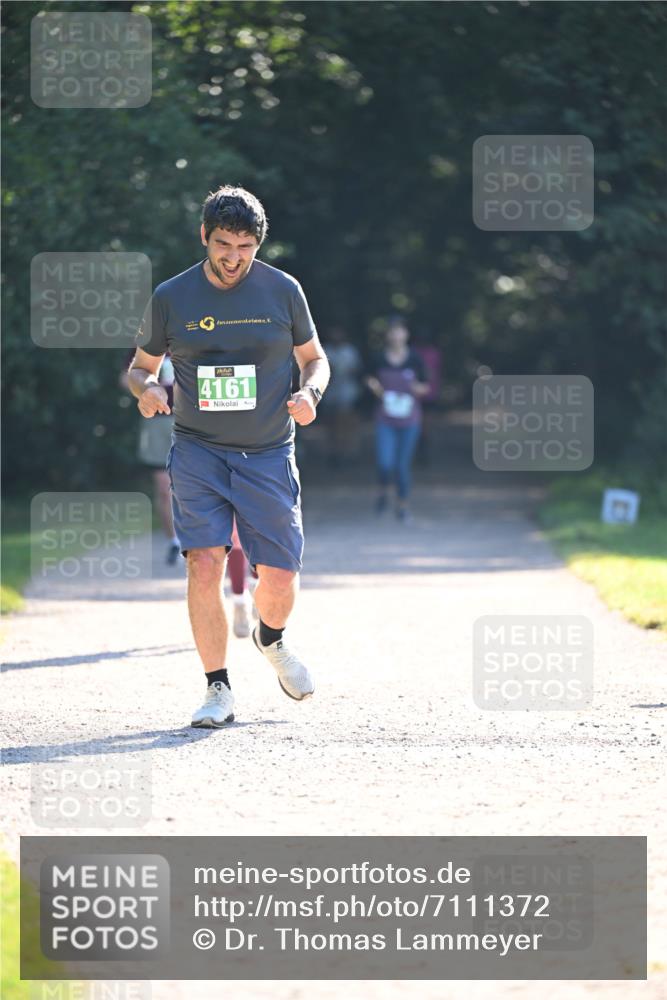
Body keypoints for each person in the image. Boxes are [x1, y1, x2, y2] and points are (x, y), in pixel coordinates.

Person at [127, 185, 330, 727]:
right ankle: (217, 688)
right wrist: (146, 389)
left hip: (267, 452)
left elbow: (314, 360)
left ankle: (271, 638)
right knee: (204, 564)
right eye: (223, 244)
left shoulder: (283, 290)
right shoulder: (173, 296)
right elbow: (140, 365)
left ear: (258, 244)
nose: (233, 257)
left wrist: (309, 396)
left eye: (245, 246)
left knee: (280, 579)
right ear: (204, 237)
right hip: (198, 452)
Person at [365, 318, 430, 522]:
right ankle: (383, 490)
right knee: (385, 463)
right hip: (385, 418)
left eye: (399, 331)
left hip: (409, 419)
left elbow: (426, 386)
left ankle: (402, 506)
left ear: (406, 334)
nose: (396, 335)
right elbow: (368, 377)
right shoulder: (378, 358)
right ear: (387, 335)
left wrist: (416, 389)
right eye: (392, 332)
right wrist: (377, 389)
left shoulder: (416, 359)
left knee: (402, 466)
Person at [120, 351, 179, 564]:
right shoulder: (147, 340)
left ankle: (199, 540)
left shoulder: (196, 331)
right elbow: (126, 377)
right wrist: (149, 390)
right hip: (157, 421)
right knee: (164, 487)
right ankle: (174, 542)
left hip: (192, 419)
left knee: (193, 484)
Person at [320, 325, 362, 466]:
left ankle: (347, 454)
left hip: (347, 394)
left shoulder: (350, 351)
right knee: (331, 426)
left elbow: (357, 370)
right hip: (330, 394)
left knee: (346, 425)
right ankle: (333, 453)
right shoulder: (326, 350)